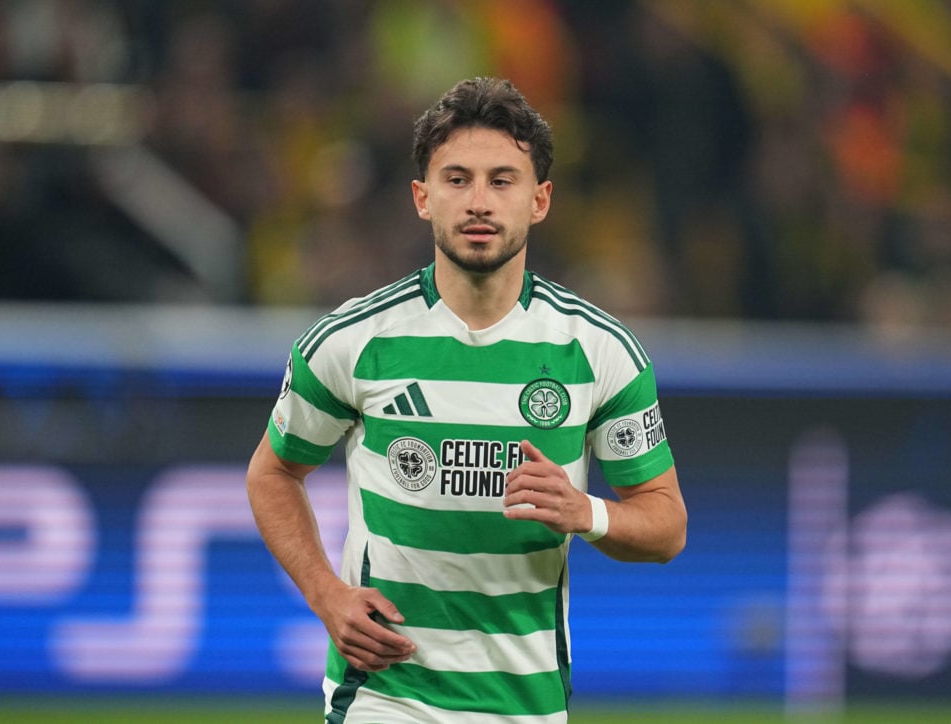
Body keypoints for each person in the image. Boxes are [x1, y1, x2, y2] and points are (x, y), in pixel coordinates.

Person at [246, 76, 687, 723]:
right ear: (423, 198)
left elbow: (667, 525)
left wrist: (586, 512)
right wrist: (325, 594)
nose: (479, 200)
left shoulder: (600, 352)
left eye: (502, 180)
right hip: (383, 699)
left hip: (526, 706)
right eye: (457, 179)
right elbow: (273, 472)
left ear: (540, 200)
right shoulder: (353, 341)